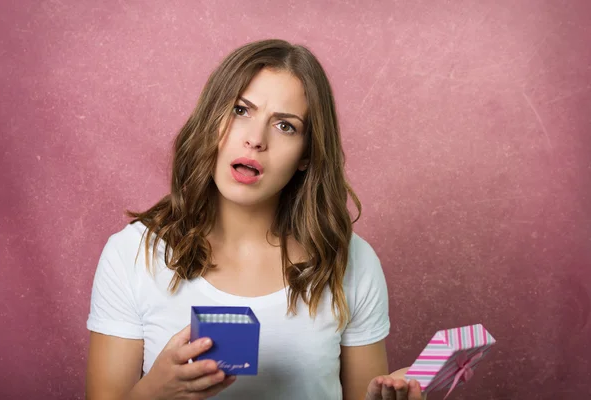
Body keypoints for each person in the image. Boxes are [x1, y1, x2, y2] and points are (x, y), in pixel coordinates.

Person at [85, 39, 424, 400]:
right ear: (209, 121)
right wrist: (155, 391)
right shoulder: (132, 254)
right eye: (240, 111)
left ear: (307, 155)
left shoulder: (351, 261)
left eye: (285, 126)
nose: (255, 140)